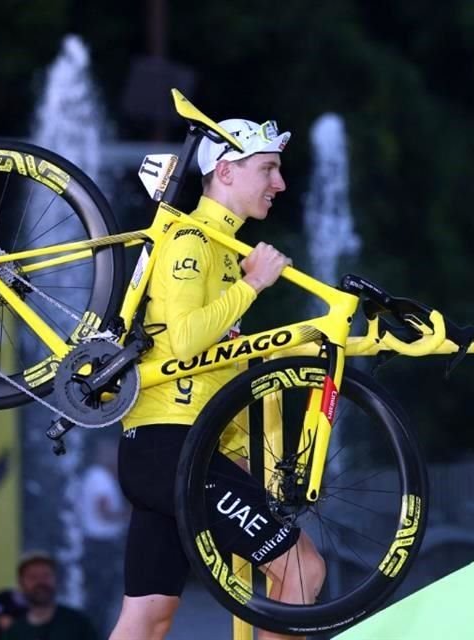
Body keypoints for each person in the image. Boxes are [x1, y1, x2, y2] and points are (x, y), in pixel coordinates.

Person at [109, 118, 326, 640]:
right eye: (268, 170)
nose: (280, 184)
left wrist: (232, 446)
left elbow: (209, 363)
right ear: (225, 172)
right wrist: (253, 283)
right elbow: (184, 341)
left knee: (148, 616)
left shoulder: (224, 247)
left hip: (167, 447)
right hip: (174, 445)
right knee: (302, 569)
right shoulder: (191, 238)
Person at [77, 438, 127, 636]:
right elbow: (103, 509)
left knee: (100, 595)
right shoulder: (100, 477)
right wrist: (127, 514)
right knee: (101, 595)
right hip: (101, 544)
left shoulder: (96, 475)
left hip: (96, 544)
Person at [0, 551, 98, 640]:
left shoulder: (78, 624)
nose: (40, 582)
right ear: (21, 583)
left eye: (46, 575)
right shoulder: (13, 633)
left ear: (56, 579)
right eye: (33, 577)